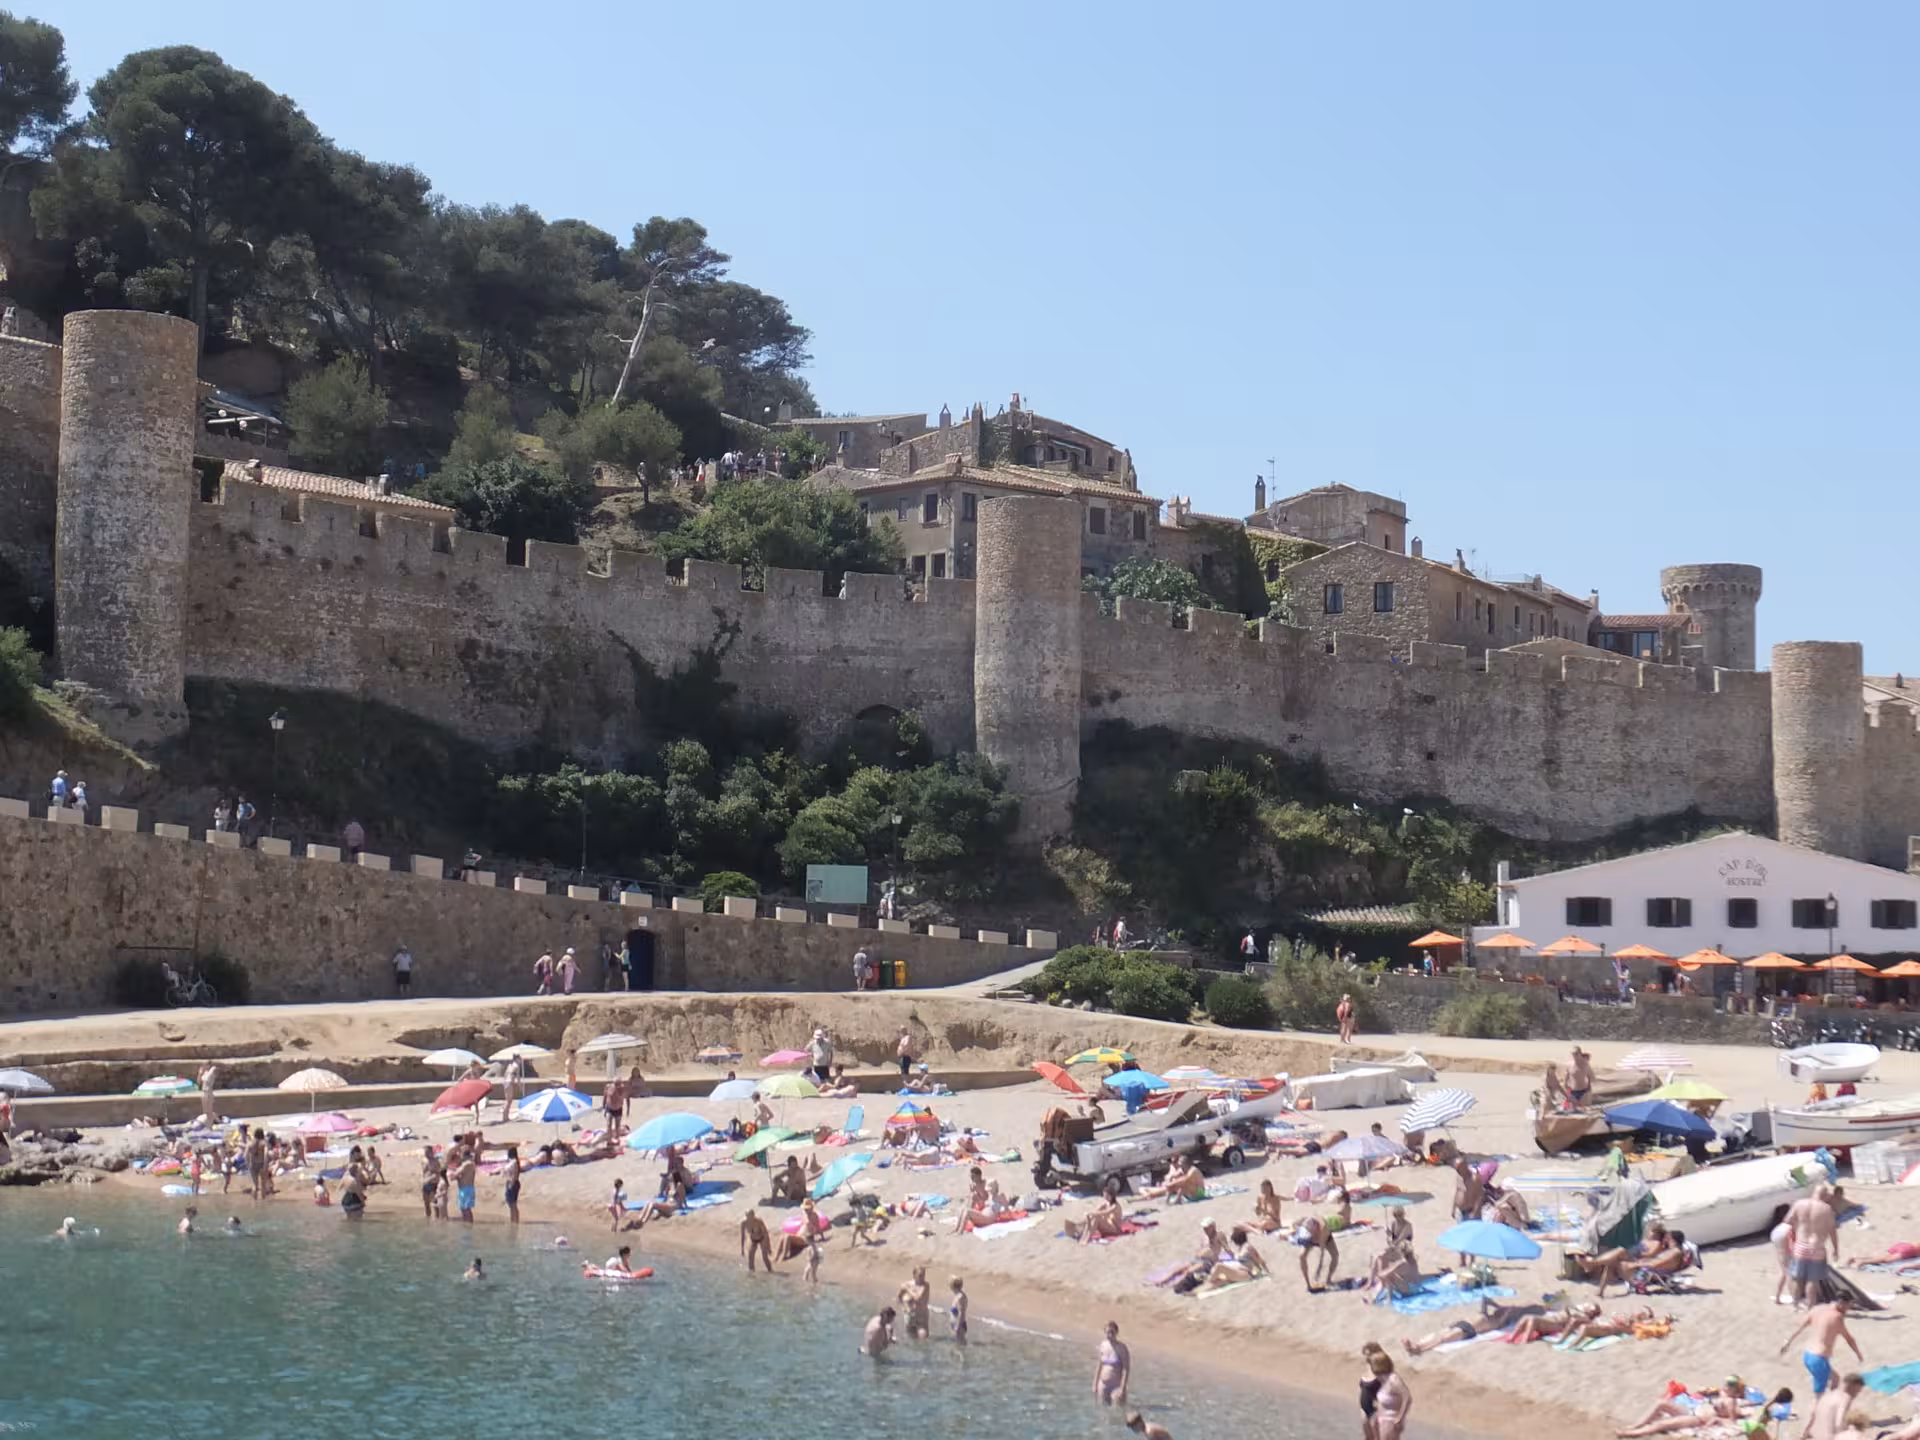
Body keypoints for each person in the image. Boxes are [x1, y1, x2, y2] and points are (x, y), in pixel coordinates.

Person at [1779, 1297, 1861, 1398]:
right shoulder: (1837, 1317)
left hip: (1807, 1355)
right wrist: (1859, 1354)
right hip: (1819, 1358)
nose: (1848, 1310)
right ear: (1842, 1303)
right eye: (1848, 1306)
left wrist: (1788, 1342)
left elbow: (1800, 1327)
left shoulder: (1817, 1309)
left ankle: (1829, 1405)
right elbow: (1849, 1339)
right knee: (1819, 1397)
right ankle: (1822, 1409)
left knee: (1835, 1380)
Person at [1401, 1297, 1542, 1355]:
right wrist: (1498, 1305)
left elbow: (1511, 1312)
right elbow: (1485, 1300)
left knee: (1443, 1339)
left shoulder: (1497, 1323)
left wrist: (1505, 1310)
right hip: (1461, 1323)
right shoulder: (1488, 1315)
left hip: (1468, 1330)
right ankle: (1416, 1345)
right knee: (1440, 1334)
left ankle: (1419, 1349)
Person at [1784, 1187, 1842, 1307]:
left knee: (1798, 1279)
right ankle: (1810, 1307)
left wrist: (1799, 1228)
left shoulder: (1799, 1204)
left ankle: (1795, 1305)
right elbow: (1832, 1232)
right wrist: (1836, 1249)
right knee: (1812, 1281)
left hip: (1800, 1246)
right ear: (1825, 1195)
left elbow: (1788, 1221)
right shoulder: (1826, 1209)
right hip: (1817, 1248)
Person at [1804, 1372, 1865, 1440]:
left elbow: (1813, 1417)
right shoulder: (1845, 1398)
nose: (1856, 1395)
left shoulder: (1827, 1395)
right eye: (1857, 1391)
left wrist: (1805, 1434)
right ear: (1851, 1385)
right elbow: (1839, 1424)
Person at [1370, 1351, 1412, 1440]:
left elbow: (1407, 1397)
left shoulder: (1394, 1379)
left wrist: (1400, 1418)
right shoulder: (1382, 1379)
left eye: (1372, 1364)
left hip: (1391, 1420)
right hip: (1381, 1418)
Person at [1295, 1213, 1339, 1292]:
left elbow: (1321, 1254)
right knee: (1301, 1256)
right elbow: (1295, 1226)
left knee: (1335, 1255)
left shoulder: (1323, 1229)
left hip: (1325, 1237)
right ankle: (1308, 1284)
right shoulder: (1305, 1224)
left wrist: (1319, 1269)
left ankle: (1328, 1280)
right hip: (1311, 1232)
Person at [1093, 1320, 1131, 1406]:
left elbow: (1126, 1369)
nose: (1109, 1335)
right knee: (1102, 1411)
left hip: (1116, 1386)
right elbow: (1099, 1365)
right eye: (1107, 1332)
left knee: (1116, 1412)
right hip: (1103, 1385)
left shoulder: (1122, 1348)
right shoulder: (1103, 1345)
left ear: (1116, 1333)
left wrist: (1123, 1388)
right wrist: (1095, 1384)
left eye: (1112, 1332)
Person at [900, 1265, 933, 1339]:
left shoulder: (925, 1285)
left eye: (923, 1275)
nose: (922, 1278)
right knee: (910, 1339)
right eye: (920, 1275)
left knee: (923, 1339)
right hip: (910, 1316)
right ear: (914, 1275)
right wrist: (905, 1307)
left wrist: (907, 1289)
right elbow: (899, 1297)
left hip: (921, 1317)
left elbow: (918, 1298)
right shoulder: (908, 1284)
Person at [454, 1149, 476, 1224]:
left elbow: (456, 1173)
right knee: (462, 1208)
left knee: (467, 1209)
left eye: (460, 1154)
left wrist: (455, 1172)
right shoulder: (464, 1164)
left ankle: (469, 1225)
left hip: (467, 1189)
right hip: (462, 1188)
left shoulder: (468, 1164)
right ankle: (466, 1224)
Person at [502, 1145, 522, 1224]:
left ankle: (515, 1220)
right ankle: (513, 1219)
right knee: (510, 1204)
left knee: (513, 1204)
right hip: (509, 1182)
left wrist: (511, 1184)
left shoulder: (514, 1162)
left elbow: (515, 1173)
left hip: (513, 1183)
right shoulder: (511, 1161)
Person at [949, 1276, 968, 1342]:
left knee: (960, 1344)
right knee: (956, 1344)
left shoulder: (961, 1297)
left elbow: (961, 1313)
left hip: (959, 1325)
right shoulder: (956, 1295)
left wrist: (958, 1326)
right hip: (955, 1324)